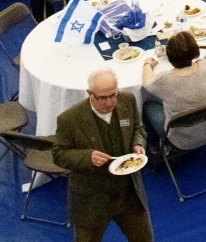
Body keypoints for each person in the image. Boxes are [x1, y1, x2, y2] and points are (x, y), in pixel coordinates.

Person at [53, 68, 152, 242]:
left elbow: (138, 128)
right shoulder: (70, 119)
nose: (109, 102)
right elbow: (59, 154)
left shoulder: (127, 100)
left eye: (113, 95)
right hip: (91, 200)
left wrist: (138, 143)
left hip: (128, 194)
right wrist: (87, 157)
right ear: (89, 93)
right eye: (102, 98)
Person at [141, 31, 206, 156]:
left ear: (170, 56)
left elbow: (146, 82)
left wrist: (147, 64)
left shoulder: (165, 79)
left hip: (181, 140)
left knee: (147, 103)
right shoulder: (205, 65)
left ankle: (155, 147)